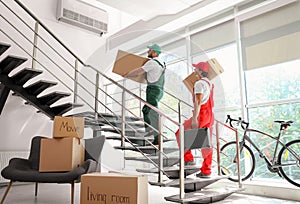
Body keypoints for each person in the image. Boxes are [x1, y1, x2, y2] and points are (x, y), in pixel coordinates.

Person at [175, 61, 214, 178]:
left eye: (196, 69)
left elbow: (198, 101)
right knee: (206, 143)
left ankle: (189, 159)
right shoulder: (209, 83)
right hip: (210, 115)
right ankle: (206, 170)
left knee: (179, 133)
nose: (194, 70)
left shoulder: (199, 84)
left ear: (200, 71)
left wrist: (195, 118)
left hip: (201, 115)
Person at [125, 44, 166, 145]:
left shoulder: (152, 62)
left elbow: (139, 72)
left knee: (152, 112)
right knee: (147, 110)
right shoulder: (161, 64)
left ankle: (154, 134)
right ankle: (152, 132)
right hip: (158, 90)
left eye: (150, 50)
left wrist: (127, 74)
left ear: (155, 53)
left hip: (153, 90)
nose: (148, 52)